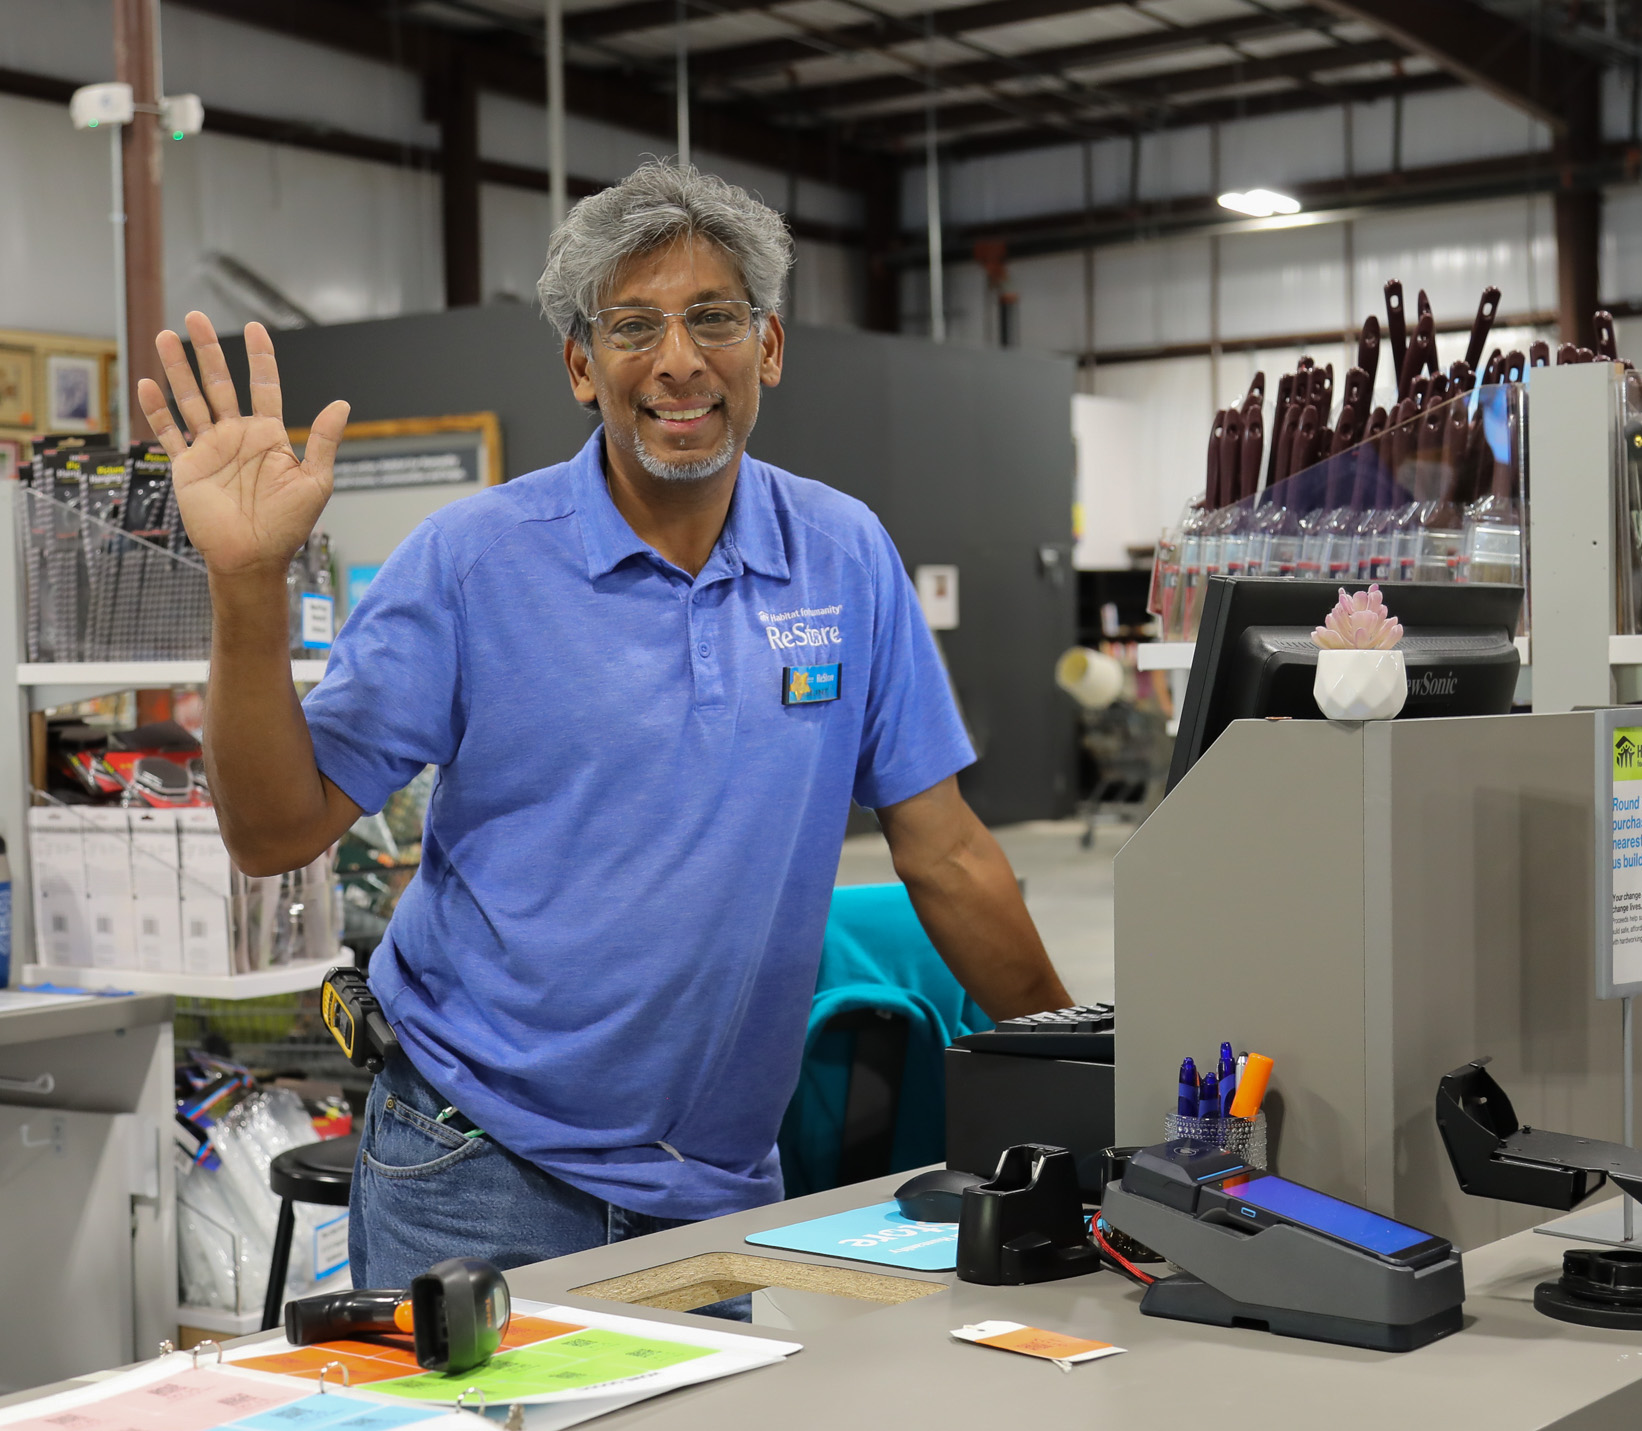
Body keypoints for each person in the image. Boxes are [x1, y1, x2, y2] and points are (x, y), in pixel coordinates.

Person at [135, 160, 1071, 1295]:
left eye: (713, 317)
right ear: (582, 367)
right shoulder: (472, 562)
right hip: (478, 1168)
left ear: (766, 347)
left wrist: (1077, 1068)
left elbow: (949, 850)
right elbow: (273, 831)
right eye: (632, 326)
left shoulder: (843, 554)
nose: (677, 360)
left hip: (722, 1182)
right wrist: (247, 584)